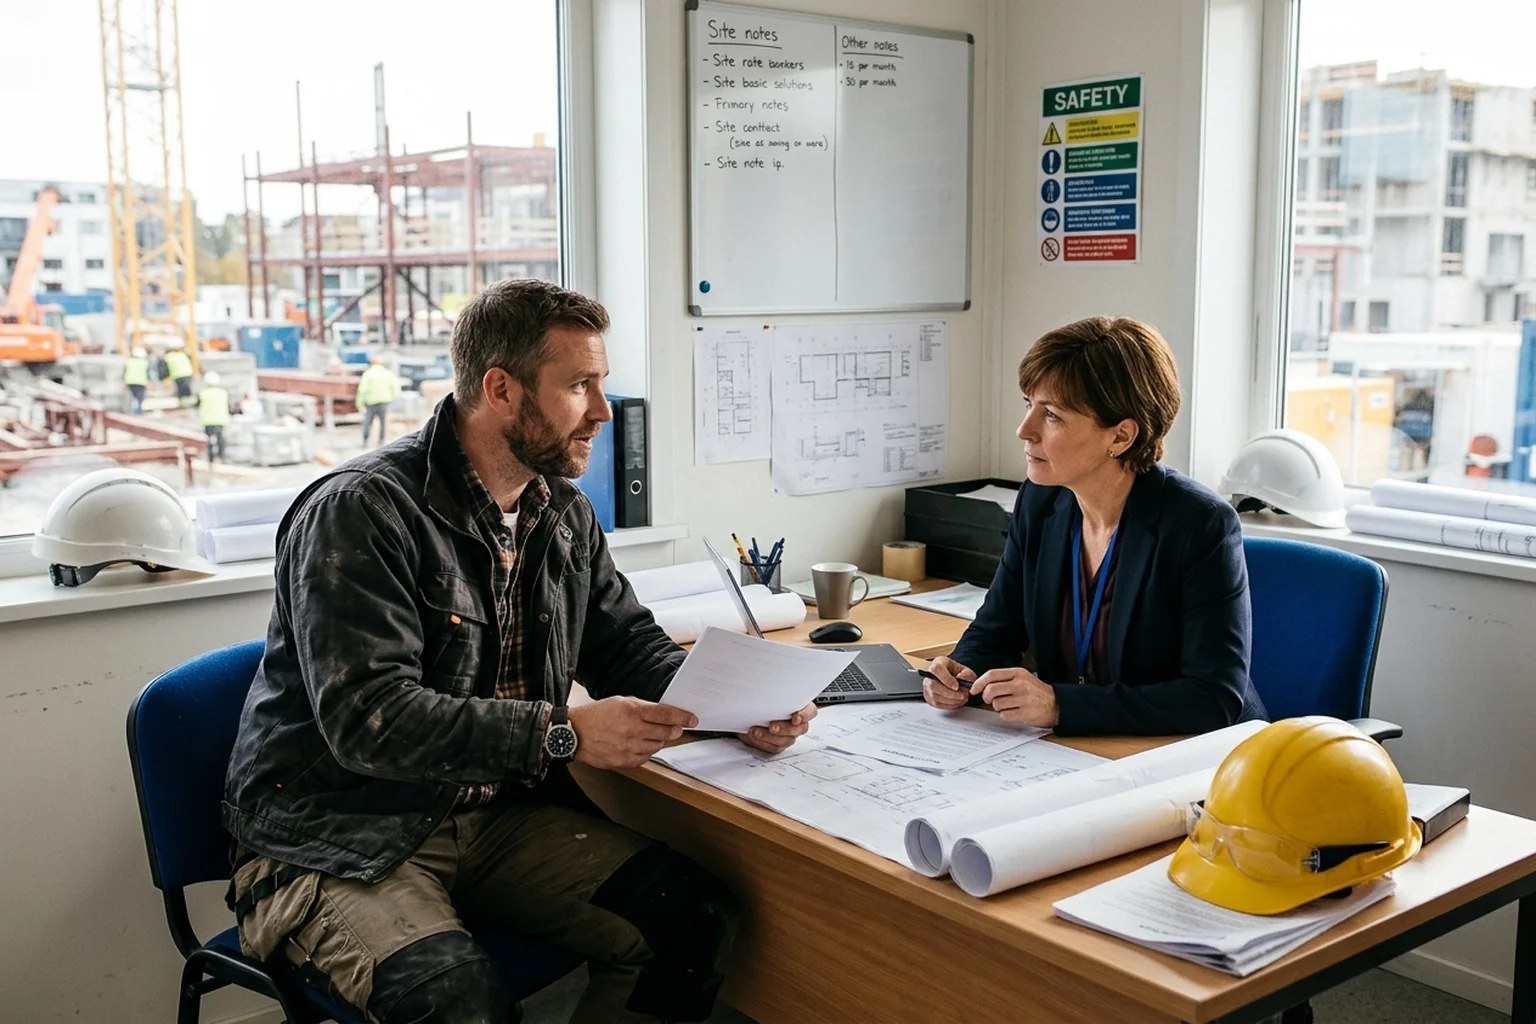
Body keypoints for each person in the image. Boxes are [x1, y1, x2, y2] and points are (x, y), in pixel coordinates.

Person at [223, 278, 817, 1024]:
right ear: (500, 390)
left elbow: (625, 643)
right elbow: (369, 718)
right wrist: (560, 734)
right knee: (456, 1003)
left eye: (600, 385)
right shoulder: (361, 511)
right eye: (579, 386)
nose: (602, 411)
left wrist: (740, 704)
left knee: (691, 920)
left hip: (494, 816)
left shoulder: (559, 511)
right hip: (342, 834)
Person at [923, 316, 1268, 737]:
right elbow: (998, 626)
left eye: (1051, 415)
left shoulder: (1198, 524)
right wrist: (962, 671)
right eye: (1028, 404)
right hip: (1084, 749)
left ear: (1120, 437)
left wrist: (1059, 705)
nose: (1024, 430)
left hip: (1193, 759)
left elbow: (1212, 697)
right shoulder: (1041, 499)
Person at [356, 354, 400, 447]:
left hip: (370, 402)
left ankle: (365, 440)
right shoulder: (387, 373)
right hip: (384, 401)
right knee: (383, 422)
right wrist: (392, 398)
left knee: (368, 422)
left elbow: (362, 389)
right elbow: (395, 387)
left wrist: (359, 403)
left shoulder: (368, 373)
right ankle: (381, 441)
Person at [197, 370, 229, 463]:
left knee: (210, 439)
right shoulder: (223, 392)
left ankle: (211, 457)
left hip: (207, 420)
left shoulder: (202, 393)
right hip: (220, 419)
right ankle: (221, 456)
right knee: (220, 438)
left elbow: (197, 404)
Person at [163, 340, 194, 407]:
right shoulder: (172, 356)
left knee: (184, 389)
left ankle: (186, 402)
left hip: (184, 374)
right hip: (180, 375)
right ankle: (184, 403)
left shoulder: (181, 354)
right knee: (183, 390)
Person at [122, 347, 149, 416]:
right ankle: (138, 412)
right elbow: (148, 373)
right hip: (141, 382)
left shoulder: (128, 361)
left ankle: (131, 411)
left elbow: (124, 372)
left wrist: (124, 383)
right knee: (139, 398)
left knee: (132, 398)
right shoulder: (145, 362)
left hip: (130, 382)